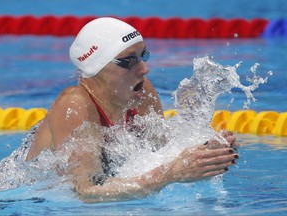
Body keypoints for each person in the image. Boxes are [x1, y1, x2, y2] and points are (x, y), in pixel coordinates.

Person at [25, 17, 239, 202]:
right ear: (96, 68)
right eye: (128, 61)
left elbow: (158, 151)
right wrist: (171, 173)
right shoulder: (75, 106)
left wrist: (206, 153)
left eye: (143, 56)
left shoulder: (141, 93)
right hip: (30, 198)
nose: (144, 69)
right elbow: (87, 191)